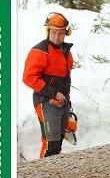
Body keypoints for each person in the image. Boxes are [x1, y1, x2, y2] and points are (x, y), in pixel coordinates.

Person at [23, 12, 73, 158]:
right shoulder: (40, 51)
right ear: (48, 31)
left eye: (61, 33)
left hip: (62, 102)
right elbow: (29, 77)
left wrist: (67, 102)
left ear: (66, 33)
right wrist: (53, 93)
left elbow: (64, 79)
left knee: (58, 142)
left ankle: (55, 177)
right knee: (49, 144)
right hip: (45, 102)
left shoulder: (65, 51)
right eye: (54, 33)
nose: (57, 37)